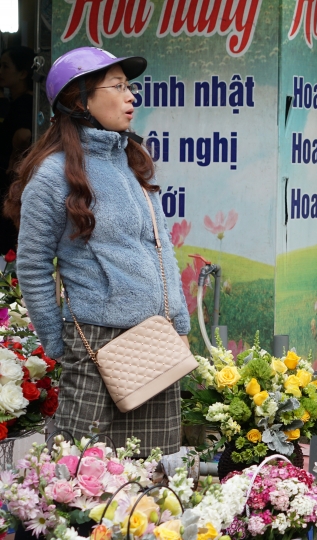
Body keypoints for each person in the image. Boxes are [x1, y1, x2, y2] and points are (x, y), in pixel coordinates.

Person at [3, 47, 190, 456]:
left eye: (130, 86)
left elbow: (161, 246)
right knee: (80, 468)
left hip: (154, 339)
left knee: (153, 469)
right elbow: (32, 266)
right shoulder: (53, 175)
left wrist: (178, 320)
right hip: (96, 343)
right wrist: (57, 341)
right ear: (79, 99)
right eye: (118, 86)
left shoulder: (133, 161)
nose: (131, 97)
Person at [0, 46, 35, 253]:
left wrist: (14, 158)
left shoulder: (25, 103)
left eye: (5, 66)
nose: (1, 72)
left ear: (23, 73)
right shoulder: (15, 102)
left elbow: (25, 135)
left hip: (12, 180)